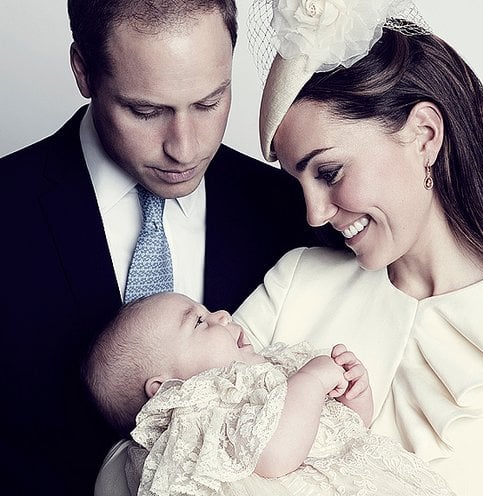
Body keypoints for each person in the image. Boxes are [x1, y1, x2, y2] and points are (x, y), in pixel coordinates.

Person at [0, 1, 339, 493]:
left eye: (209, 103)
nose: (184, 147)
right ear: (83, 71)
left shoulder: (293, 211)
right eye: (146, 111)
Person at [234, 0, 483, 495]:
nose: (314, 214)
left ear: (424, 135)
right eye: (298, 183)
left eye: (329, 172)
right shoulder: (295, 282)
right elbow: (170, 442)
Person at [83, 291, 455, 496]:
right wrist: (310, 381)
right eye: (198, 322)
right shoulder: (198, 415)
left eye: (208, 310)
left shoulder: (271, 372)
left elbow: (334, 437)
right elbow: (274, 452)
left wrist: (352, 401)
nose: (223, 315)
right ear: (165, 390)